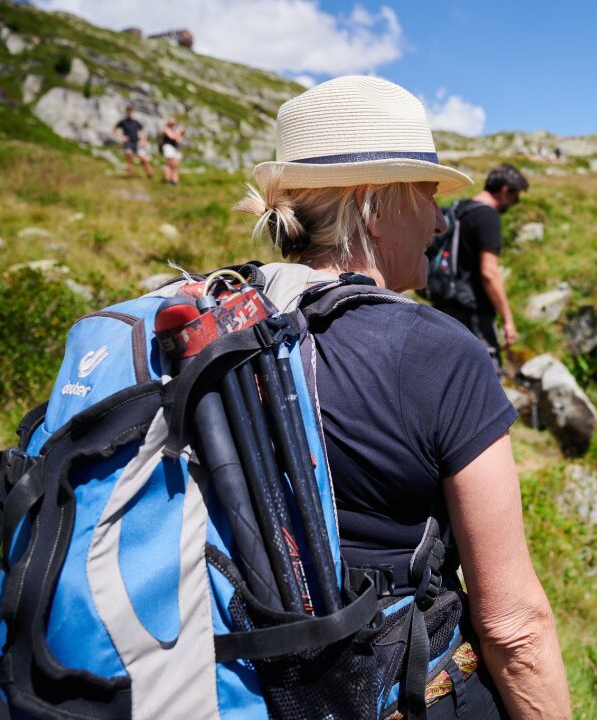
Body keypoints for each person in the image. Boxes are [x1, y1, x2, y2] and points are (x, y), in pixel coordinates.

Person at [235, 76, 571, 719]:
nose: (441, 219)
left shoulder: (214, 321)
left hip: (239, 683)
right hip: (388, 687)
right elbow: (514, 624)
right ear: (374, 202)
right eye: (426, 193)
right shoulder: (440, 355)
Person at [431, 163, 528, 369]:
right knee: (487, 372)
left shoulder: (462, 208)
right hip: (473, 311)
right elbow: (489, 272)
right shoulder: (487, 216)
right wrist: (508, 320)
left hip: (446, 303)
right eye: (516, 197)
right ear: (505, 191)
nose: (514, 204)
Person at [112, 105, 152, 178]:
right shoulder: (123, 122)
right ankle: (130, 176)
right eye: (128, 111)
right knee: (129, 158)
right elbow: (114, 130)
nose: (129, 113)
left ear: (133, 112)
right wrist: (121, 137)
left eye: (130, 111)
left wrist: (143, 140)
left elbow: (143, 131)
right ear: (126, 112)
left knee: (143, 158)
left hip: (137, 142)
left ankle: (149, 174)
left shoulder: (136, 122)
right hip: (128, 143)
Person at [160, 117, 185, 185]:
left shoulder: (174, 130)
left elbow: (179, 140)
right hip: (168, 147)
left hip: (175, 148)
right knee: (171, 164)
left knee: (175, 165)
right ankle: (168, 180)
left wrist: (182, 133)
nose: (172, 124)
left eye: (174, 123)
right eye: (171, 123)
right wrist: (179, 131)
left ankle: (174, 180)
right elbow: (172, 137)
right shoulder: (166, 129)